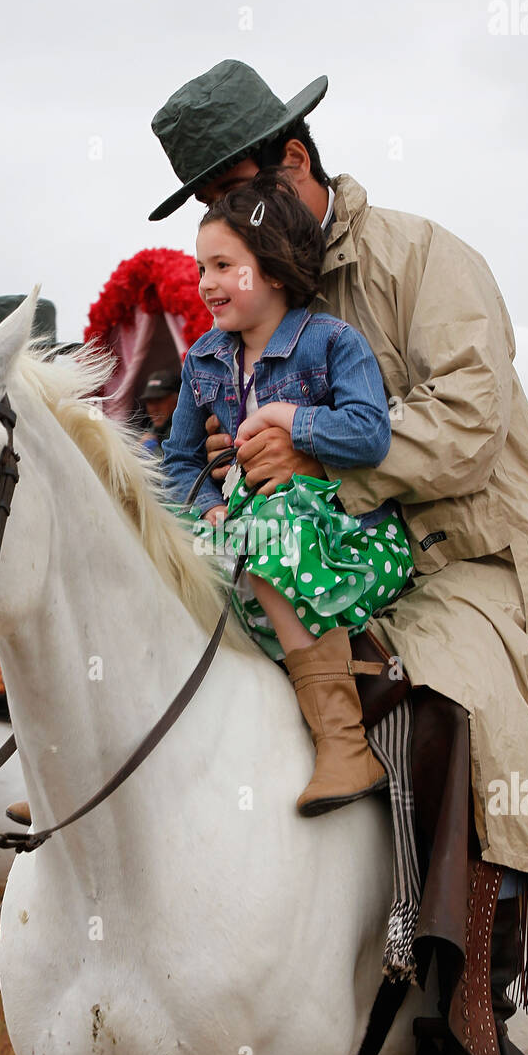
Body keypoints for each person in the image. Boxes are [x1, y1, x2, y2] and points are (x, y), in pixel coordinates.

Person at [148, 59, 528, 1055]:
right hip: (315, 546)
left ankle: (467, 996)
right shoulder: (255, 283)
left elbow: (466, 423)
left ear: (294, 162)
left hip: (473, 559)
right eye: (206, 209)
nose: (218, 225)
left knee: (427, 687)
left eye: (229, 194)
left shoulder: (426, 259)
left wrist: (309, 465)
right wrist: (218, 452)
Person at [162, 174, 413, 814]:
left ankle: (343, 741)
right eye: (200, 269)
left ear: (272, 270)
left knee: (271, 524)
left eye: (224, 265)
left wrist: (288, 421)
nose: (206, 283)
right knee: (170, 554)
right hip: (248, 535)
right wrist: (208, 506)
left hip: (348, 544)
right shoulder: (203, 362)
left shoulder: (331, 342)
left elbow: (369, 434)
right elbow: (181, 463)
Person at [137, 368, 181, 456]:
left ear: (176, 400)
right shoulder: (149, 433)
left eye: (159, 400)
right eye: (149, 401)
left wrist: (155, 453)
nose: (154, 408)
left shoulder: (186, 432)